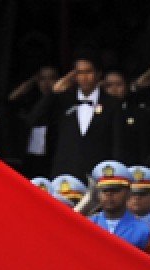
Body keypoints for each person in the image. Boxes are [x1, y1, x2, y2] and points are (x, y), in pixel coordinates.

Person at [26, 52, 123, 182]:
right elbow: (33, 119)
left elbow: (117, 145)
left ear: (98, 74)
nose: (84, 77)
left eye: (88, 72)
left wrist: (112, 177)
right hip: (64, 177)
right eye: (79, 72)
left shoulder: (112, 104)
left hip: (99, 178)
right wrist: (53, 93)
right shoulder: (63, 100)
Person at [87, 161, 150, 256]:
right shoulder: (88, 224)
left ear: (128, 193)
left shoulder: (144, 231)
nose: (109, 194)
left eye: (115, 190)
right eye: (104, 190)